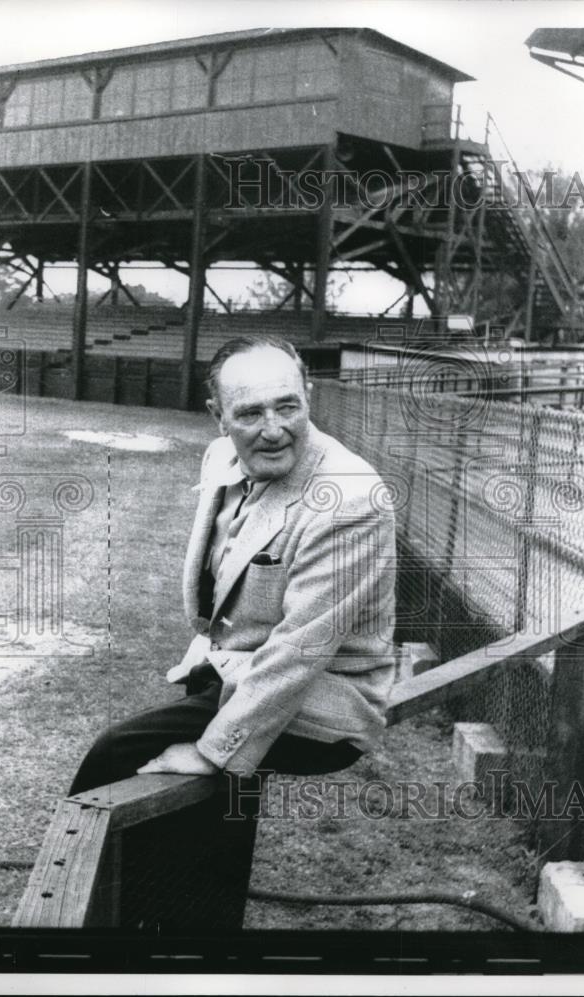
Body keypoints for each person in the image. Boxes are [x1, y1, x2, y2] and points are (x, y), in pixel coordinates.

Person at [69, 335, 397, 930]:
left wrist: (210, 750)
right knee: (207, 815)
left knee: (119, 754)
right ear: (218, 417)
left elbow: (302, 651)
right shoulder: (221, 457)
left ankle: (91, 931)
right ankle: (191, 928)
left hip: (327, 698)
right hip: (240, 670)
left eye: (288, 406)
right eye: (248, 413)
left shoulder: (349, 498)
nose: (273, 429)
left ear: (309, 397)